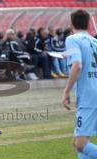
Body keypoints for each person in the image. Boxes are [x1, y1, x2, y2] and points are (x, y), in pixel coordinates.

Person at [62, 9, 97, 159]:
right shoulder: (94, 41)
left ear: (71, 24)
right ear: (89, 24)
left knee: (80, 143)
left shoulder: (72, 39)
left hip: (89, 96)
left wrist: (66, 91)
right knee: (78, 143)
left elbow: (77, 65)